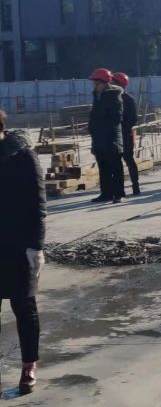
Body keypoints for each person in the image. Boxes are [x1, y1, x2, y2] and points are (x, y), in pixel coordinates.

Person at [0, 109, 46, 395]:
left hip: (18, 244)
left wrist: (36, 247)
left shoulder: (22, 155)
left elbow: (38, 204)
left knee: (24, 306)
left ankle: (29, 364)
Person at [88, 68, 125, 203]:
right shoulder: (97, 97)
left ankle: (119, 193)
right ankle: (106, 193)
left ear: (104, 83)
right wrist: (91, 128)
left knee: (116, 168)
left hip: (111, 139)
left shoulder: (114, 97)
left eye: (96, 83)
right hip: (99, 139)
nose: (94, 86)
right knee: (103, 168)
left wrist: (101, 127)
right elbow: (94, 117)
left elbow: (116, 119)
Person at [112, 72, 140, 196]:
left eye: (113, 82)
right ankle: (119, 190)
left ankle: (135, 186)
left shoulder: (128, 100)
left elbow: (133, 119)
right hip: (115, 137)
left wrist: (122, 127)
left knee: (129, 160)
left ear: (120, 84)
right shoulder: (111, 99)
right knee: (116, 163)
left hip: (126, 135)